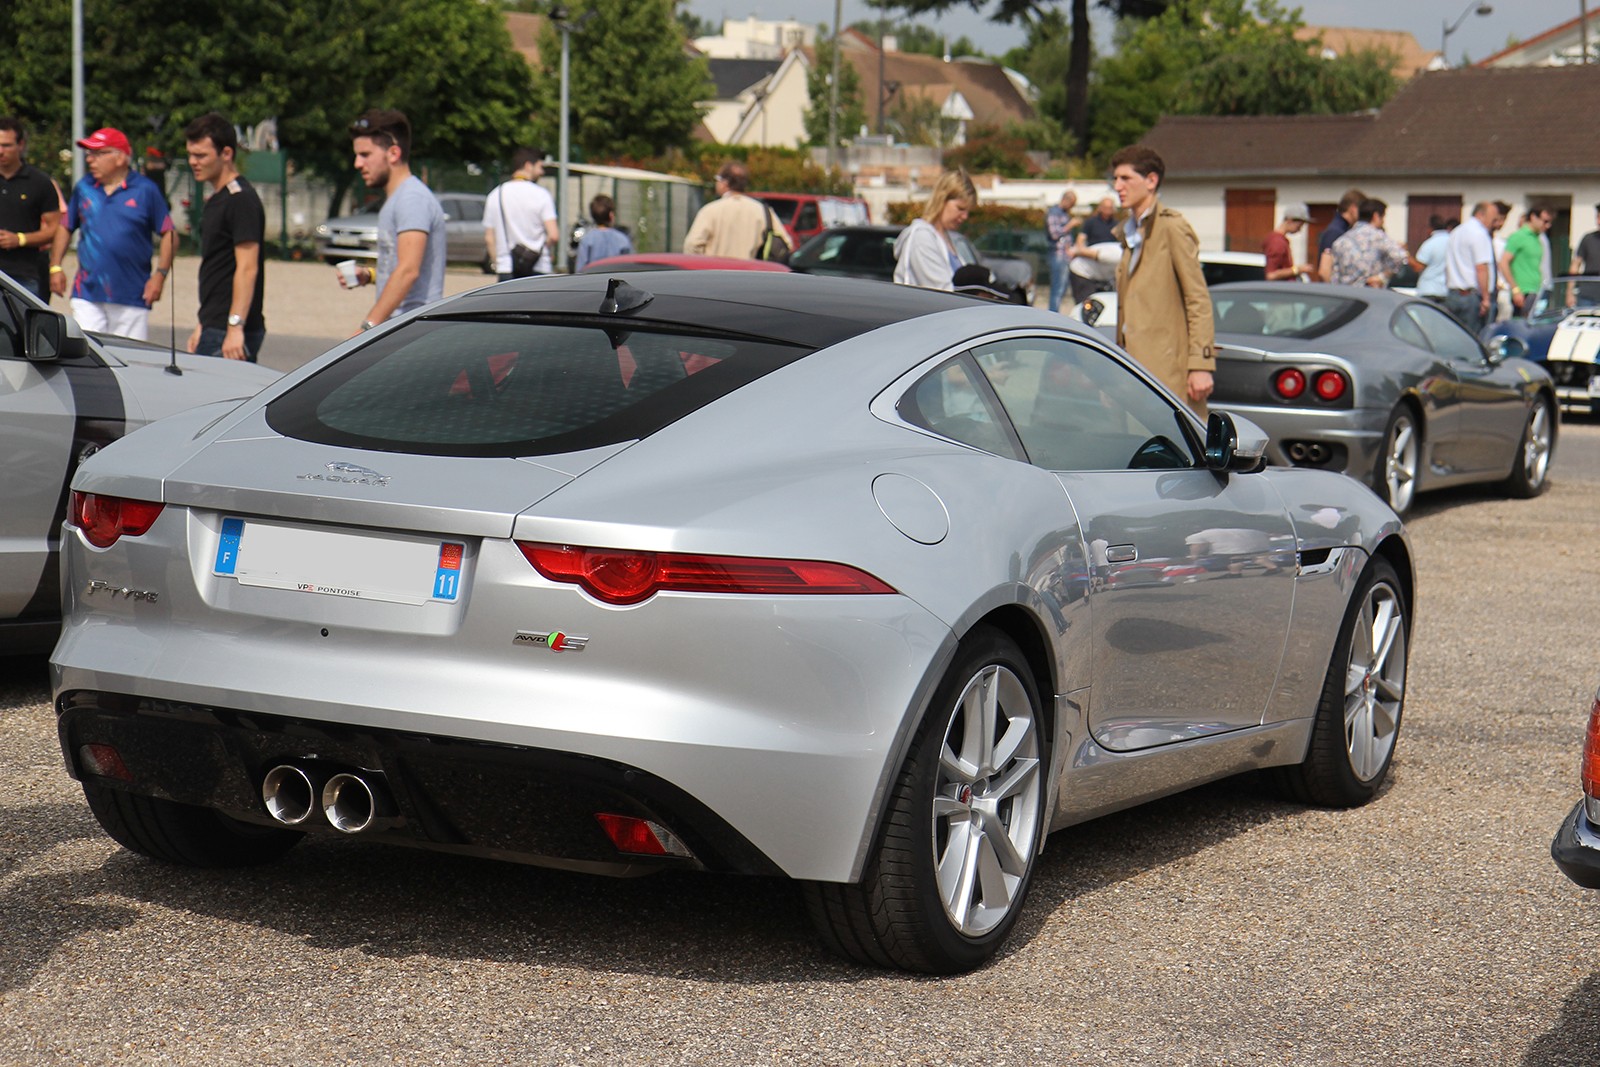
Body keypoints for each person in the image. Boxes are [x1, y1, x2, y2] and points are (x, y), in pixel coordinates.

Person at [1110, 144, 1215, 416]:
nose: (1117, 186)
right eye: (1115, 179)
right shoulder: (1128, 232)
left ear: (1151, 180)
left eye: (1126, 178)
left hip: (1168, 372)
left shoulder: (1172, 227)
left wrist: (1201, 365)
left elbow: (1198, 299)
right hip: (1133, 370)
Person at [48, 128, 175, 340]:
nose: (90, 160)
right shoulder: (84, 188)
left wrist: (160, 276)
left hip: (132, 294)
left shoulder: (145, 190)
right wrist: (55, 266)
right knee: (87, 354)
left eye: (98, 153)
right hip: (87, 292)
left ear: (120, 158)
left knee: (128, 359)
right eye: (89, 153)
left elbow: (169, 233)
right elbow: (66, 226)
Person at [336, 108, 445, 333]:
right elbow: (403, 266)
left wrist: (368, 328)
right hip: (403, 330)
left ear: (393, 153)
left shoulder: (412, 198)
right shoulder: (399, 198)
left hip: (414, 332)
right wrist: (368, 275)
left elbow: (408, 270)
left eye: (365, 155)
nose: (357, 163)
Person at [183, 112, 265, 361]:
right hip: (215, 325)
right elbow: (218, 267)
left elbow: (247, 267)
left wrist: (235, 326)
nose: (193, 162)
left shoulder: (240, 200)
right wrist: (203, 322)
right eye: (190, 154)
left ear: (226, 154)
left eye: (201, 155)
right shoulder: (218, 199)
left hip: (230, 331)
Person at [0, 117, 62, 300]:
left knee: (21, 329)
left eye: (6, 146)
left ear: (21, 145)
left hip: (23, 276)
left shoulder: (40, 182)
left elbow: (53, 229)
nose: (0, 151)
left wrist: (19, 239)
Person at [892, 169, 977, 291]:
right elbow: (941, 291)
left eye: (968, 211)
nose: (965, 217)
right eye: (960, 208)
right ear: (941, 200)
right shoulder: (921, 237)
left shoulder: (949, 238)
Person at [483, 146, 558, 279]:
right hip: (538, 267)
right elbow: (553, 235)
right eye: (540, 167)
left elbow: (489, 238)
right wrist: (541, 248)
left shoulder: (495, 195)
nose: (542, 172)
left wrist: (498, 263)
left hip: (507, 268)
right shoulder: (541, 195)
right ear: (528, 166)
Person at [683, 161, 779, 260]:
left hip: (716, 272)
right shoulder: (763, 212)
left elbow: (692, 245)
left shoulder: (710, 210)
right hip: (751, 272)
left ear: (725, 183)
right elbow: (784, 244)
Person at [1445, 200, 1503, 333]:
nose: (1494, 223)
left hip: (1453, 293)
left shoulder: (1457, 232)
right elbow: (1481, 268)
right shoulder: (1479, 234)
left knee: (1456, 336)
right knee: (1475, 340)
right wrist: (1486, 298)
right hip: (1472, 297)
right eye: (1492, 219)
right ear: (1481, 215)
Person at [1329, 199, 1409, 288]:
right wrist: (1382, 276)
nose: (1383, 221)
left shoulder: (1341, 241)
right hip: (1370, 292)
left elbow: (1334, 274)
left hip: (1346, 294)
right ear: (1375, 216)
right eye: (1382, 217)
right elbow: (1400, 256)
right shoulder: (1378, 237)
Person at [1499, 203, 1552, 314]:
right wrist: (1515, 289)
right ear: (1533, 217)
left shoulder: (1538, 239)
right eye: (1545, 221)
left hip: (1536, 290)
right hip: (1523, 292)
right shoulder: (1519, 236)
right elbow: (1503, 263)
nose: (1547, 226)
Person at [1069, 196, 1119, 305]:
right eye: (1106, 207)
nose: (1108, 210)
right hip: (1086, 268)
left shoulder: (1116, 225)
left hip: (1103, 271)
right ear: (1100, 208)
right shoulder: (1091, 222)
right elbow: (1081, 240)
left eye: (1110, 208)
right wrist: (1078, 250)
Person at [1315, 188, 1366, 282]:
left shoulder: (1343, 230)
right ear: (1353, 209)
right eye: (1362, 211)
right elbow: (1324, 271)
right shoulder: (1335, 232)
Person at [574, 194, 632, 272]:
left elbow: (580, 269)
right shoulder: (622, 240)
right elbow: (629, 266)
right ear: (611, 215)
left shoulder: (587, 239)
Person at [1044, 189, 1079, 312]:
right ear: (1066, 200)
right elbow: (1054, 234)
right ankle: (1053, 314)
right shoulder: (1054, 213)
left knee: (1063, 288)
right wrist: (1070, 225)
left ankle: (1055, 312)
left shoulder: (1064, 214)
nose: (1072, 207)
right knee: (1057, 288)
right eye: (1072, 204)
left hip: (1066, 255)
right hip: (1058, 254)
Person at [1263, 202, 1314, 282]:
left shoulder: (1277, 239)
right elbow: (1271, 275)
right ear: (1290, 221)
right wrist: (1297, 270)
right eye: (1299, 226)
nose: (1299, 230)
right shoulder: (1277, 242)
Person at [1413, 215, 1455, 305]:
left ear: (1430, 228)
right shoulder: (1453, 242)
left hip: (1428, 290)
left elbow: (1418, 267)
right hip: (1446, 291)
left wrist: (1405, 256)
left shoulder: (1430, 244)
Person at [1571, 204, 1600, 275]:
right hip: (1589, 284)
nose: (1598, 222)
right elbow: (1576, 263)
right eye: (1598, 217)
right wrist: (1570, 286)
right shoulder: (1588, 239)